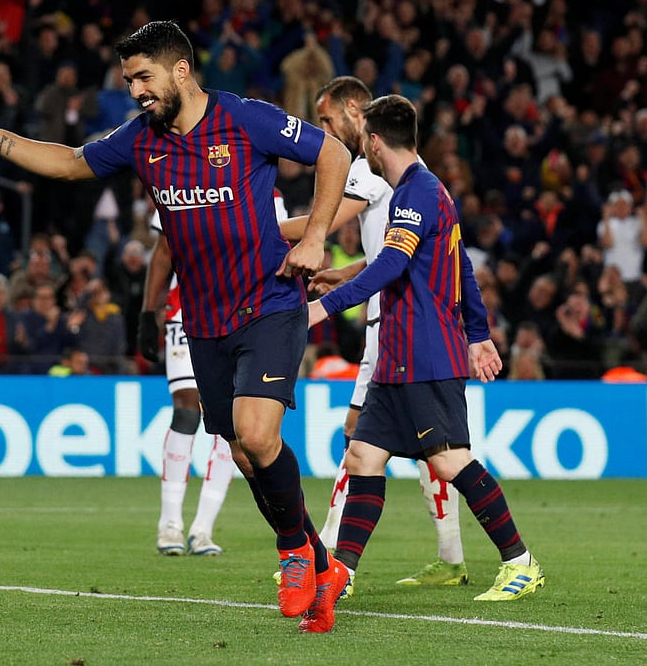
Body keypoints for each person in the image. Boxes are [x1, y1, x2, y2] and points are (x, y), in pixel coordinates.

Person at [0, 20, 352, 633]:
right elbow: (70, 163)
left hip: (269, 301)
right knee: (242, 451)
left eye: (144, 76)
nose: (135, 90)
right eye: (128, 79)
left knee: (257, 434)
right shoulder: (141, 140)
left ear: (180, 69)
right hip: (205, 319)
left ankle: (294, 551)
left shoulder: (244, 119)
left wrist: (316, 236)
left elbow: (334, 152)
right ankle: (325, 565)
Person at [307, 94, 544, 602]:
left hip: (424, 352)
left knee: (449, 462)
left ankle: (521, 562)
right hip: (397, 353)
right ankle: (340, 574)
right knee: (363, 458)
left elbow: (391, 265)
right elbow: (462, 271)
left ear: (373, 142)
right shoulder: (426, 192)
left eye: (363, 141)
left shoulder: (417, 192)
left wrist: (322, 309)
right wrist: (479, 334)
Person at [280, 76, 469, 587]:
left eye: (326, 118)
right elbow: (394, 251)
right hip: (395, 313)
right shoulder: (410, 172)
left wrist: (260, 228)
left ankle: (328, 559)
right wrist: (345, 272)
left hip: (394, 323)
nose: (325, 129)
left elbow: (327, 219)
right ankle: (451, 556)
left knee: (361, 439)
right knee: (429, 446)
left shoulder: (371, 166)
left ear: (354, 113)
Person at [140, 209, 235, 557]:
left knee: (231, 418)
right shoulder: (173, 179)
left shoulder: (270, 194)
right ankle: (170, 524)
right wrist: (149, 311)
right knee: (187, 409)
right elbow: (163, 249)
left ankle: (203, 528)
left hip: (241, 310)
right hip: (185, 308)